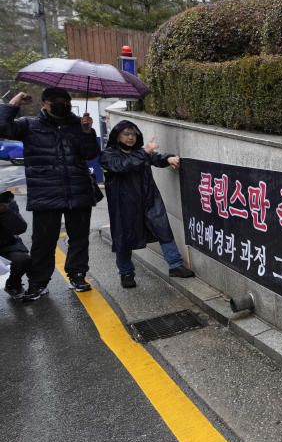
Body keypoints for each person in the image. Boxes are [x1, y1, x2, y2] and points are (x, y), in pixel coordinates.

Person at [0, 88, 100, 301]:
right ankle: (38, 283)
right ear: (44, 103)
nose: (61, 104)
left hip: (78, 192)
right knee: (43, 243)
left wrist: (87, 131)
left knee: (79, 239)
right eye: (56, 101)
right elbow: (2, 128)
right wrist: (14, 103)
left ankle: (78, 275)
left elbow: (90, 154)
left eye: (65, 100)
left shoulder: (77, 125)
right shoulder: (29, 125)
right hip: (45, 194)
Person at [100, 120, 194, 289]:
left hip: (149, 199)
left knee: (163, 228)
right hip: (124, 205)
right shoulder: (108, 155)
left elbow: (155, 158)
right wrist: (145, 152)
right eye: (126, 134)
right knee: (123, 238)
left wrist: (169, 158)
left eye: (133, 134)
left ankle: (175, 265)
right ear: (117, 135)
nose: (130, 137)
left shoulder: (139, 152)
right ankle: (126, 273)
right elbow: (122, 166)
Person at [0, 187, 31, 299]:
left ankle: (13, 284)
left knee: (22, 259)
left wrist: (5, 212)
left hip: (6, 245)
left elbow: (20, 228)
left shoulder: (6, 201)